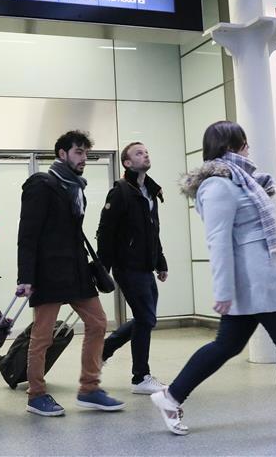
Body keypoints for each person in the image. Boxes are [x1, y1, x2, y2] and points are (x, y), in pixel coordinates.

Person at [154, 121, 276, 437]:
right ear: (230, 146)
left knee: (227, 345)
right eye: (244, 143)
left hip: (260, 280)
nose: (248, 148)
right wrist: (223, 289)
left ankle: (170, 396)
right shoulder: (218, 185)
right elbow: (217, 240)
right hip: (256, 281)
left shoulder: (242, 181)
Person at [17, 130, 124, 417]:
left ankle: (89, 388)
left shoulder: (76, 187)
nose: (83, 159)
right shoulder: (41, 184)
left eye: (86, 154)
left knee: (99, 322)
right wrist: (25, 277)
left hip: (76, 269)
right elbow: (27, 234)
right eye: (78, 152)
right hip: (48, 271)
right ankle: (36, 394)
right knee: (42, 336)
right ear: (62, 154)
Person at [97, 141, 169, 394]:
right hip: (127, 267)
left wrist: (160, 263)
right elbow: (105, 231)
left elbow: (153, 231)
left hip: (146, 267)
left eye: (146, 151)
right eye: (139, 153)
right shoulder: (121, 192)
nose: (145, 154)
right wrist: (102, 268)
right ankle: (140, 377)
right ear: (127, 163)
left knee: (145, 319)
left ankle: (103, 350)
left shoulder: (150, 191)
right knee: (146, 318)